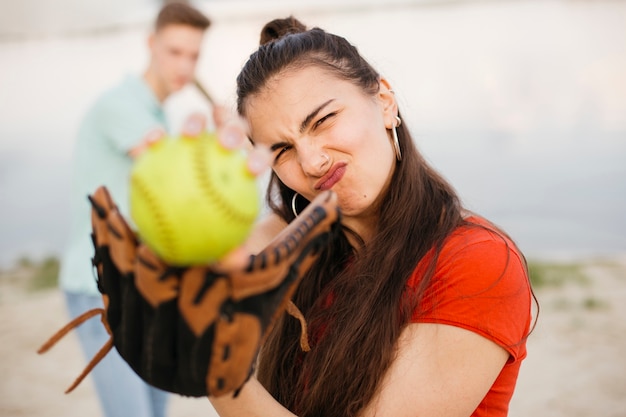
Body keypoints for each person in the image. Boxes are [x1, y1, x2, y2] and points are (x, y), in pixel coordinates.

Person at [205, 16, 537, 417]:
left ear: (384, 102)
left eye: (323, 120)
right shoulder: (315, 250)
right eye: (282, 151)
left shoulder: (476, 262)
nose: (312, 162)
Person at [57, 3, 211, 417]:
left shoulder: (155, 114)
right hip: (98, 288)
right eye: (174, 52)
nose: (184, 65)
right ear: (150, 44)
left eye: (193, 55)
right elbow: (174, 175)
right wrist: (226, 136)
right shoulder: (121, 106)